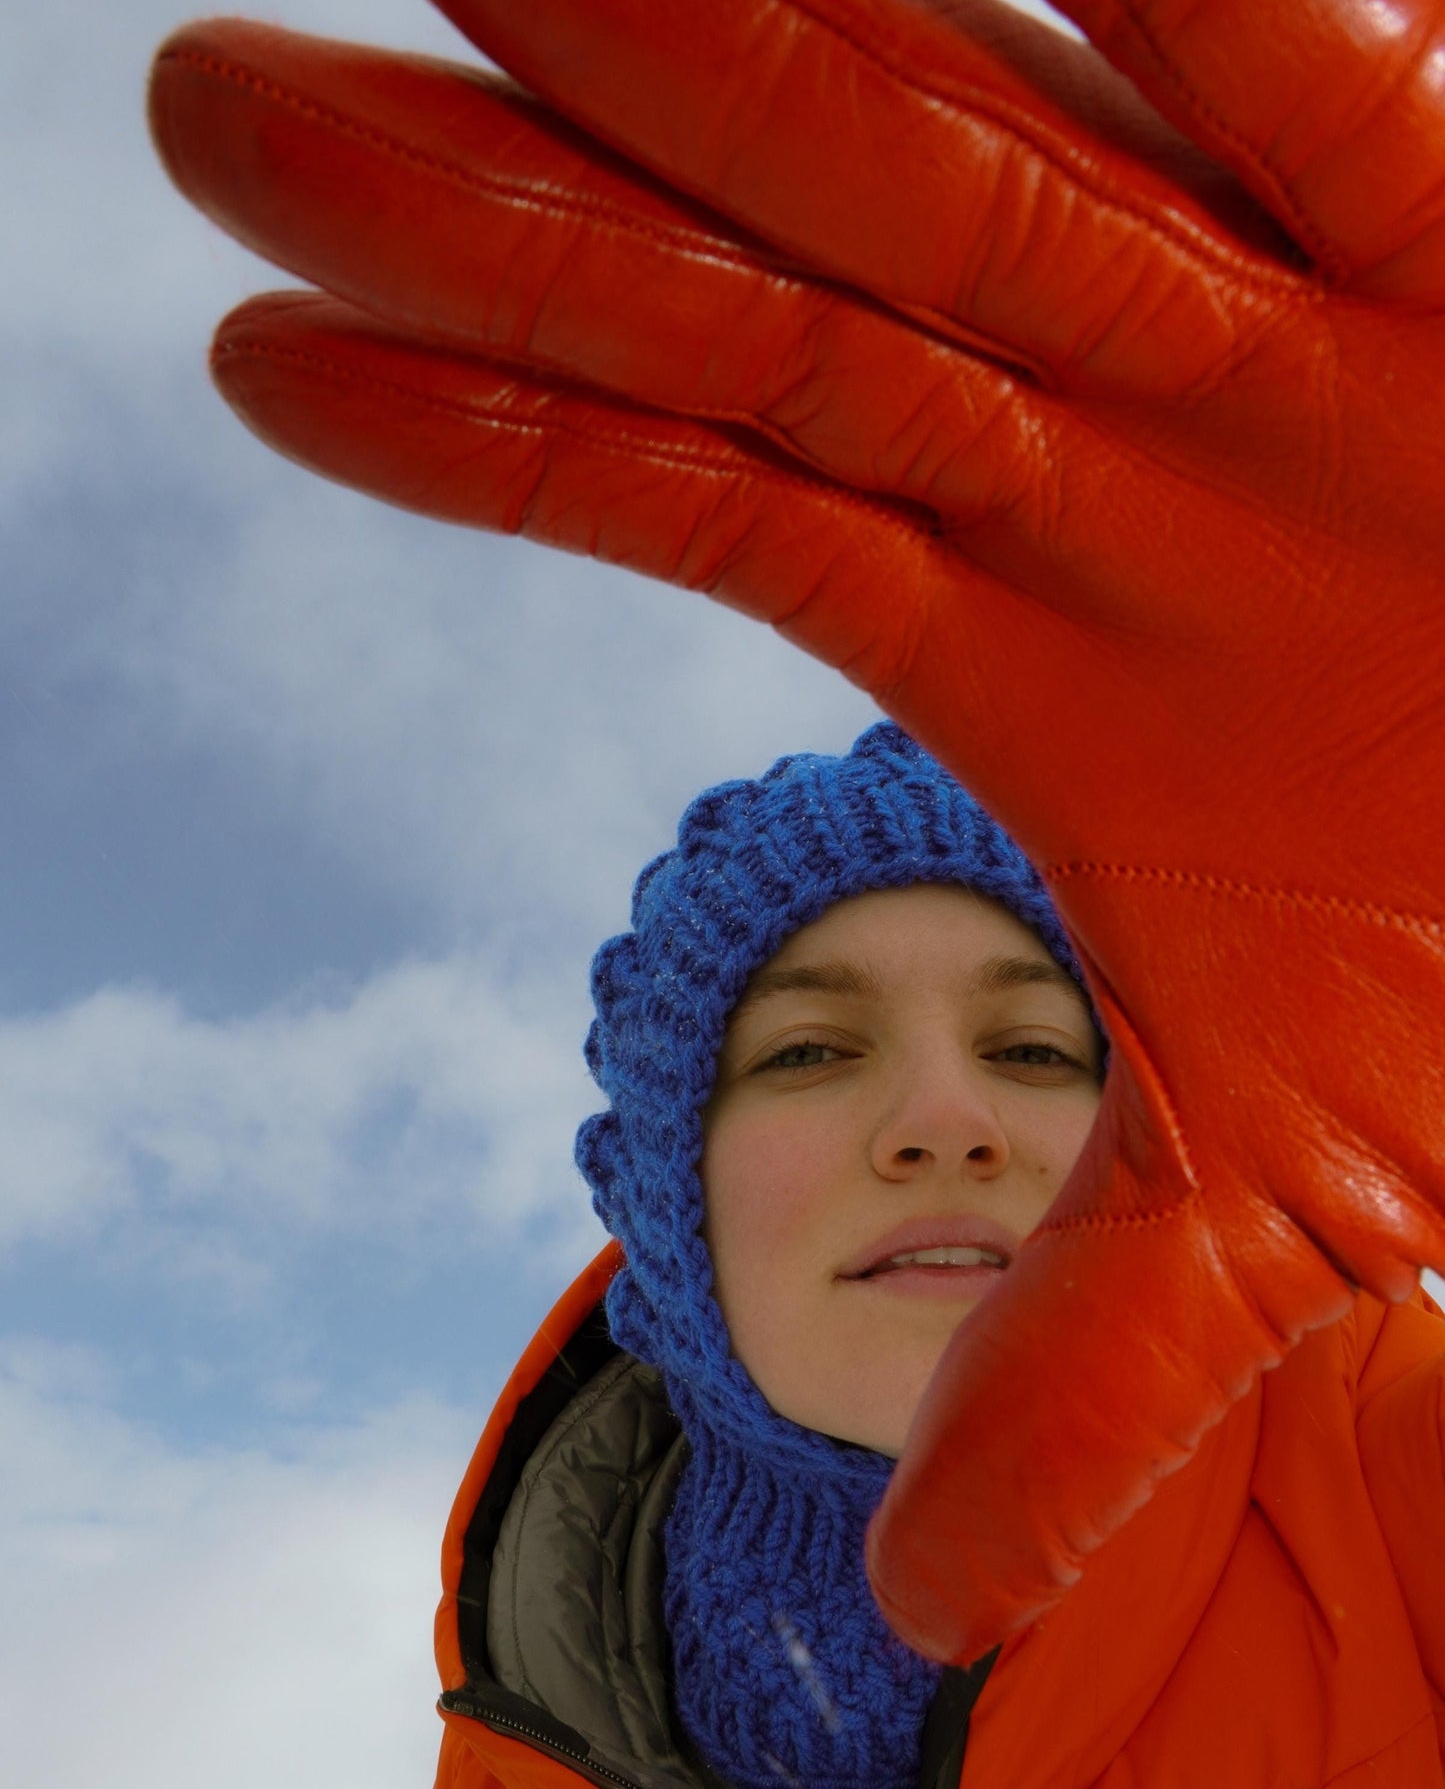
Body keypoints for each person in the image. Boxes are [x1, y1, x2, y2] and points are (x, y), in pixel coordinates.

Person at [431, 723, 1445, 1789]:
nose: (945, 1121)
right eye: (809, 1051)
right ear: (665, 1204)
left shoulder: (1379, 1461)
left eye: (1031, 1050)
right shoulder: (512, 1732)